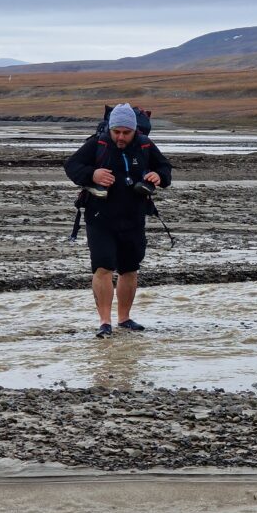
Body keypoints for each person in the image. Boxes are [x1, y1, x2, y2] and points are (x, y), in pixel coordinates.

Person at [64, 103, 173, 338]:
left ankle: (124, 318)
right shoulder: (98, 143)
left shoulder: (144, 145)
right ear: (110, 129)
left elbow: (165, 167)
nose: (121, 137)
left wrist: (159, 176)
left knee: (130, 269)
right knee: (103, 267)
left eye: (126, 132)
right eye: (116, 132)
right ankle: (105, 322)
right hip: (99, 217)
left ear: (134, 130)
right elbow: (72, 166)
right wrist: (92, 174)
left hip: (133, 218)